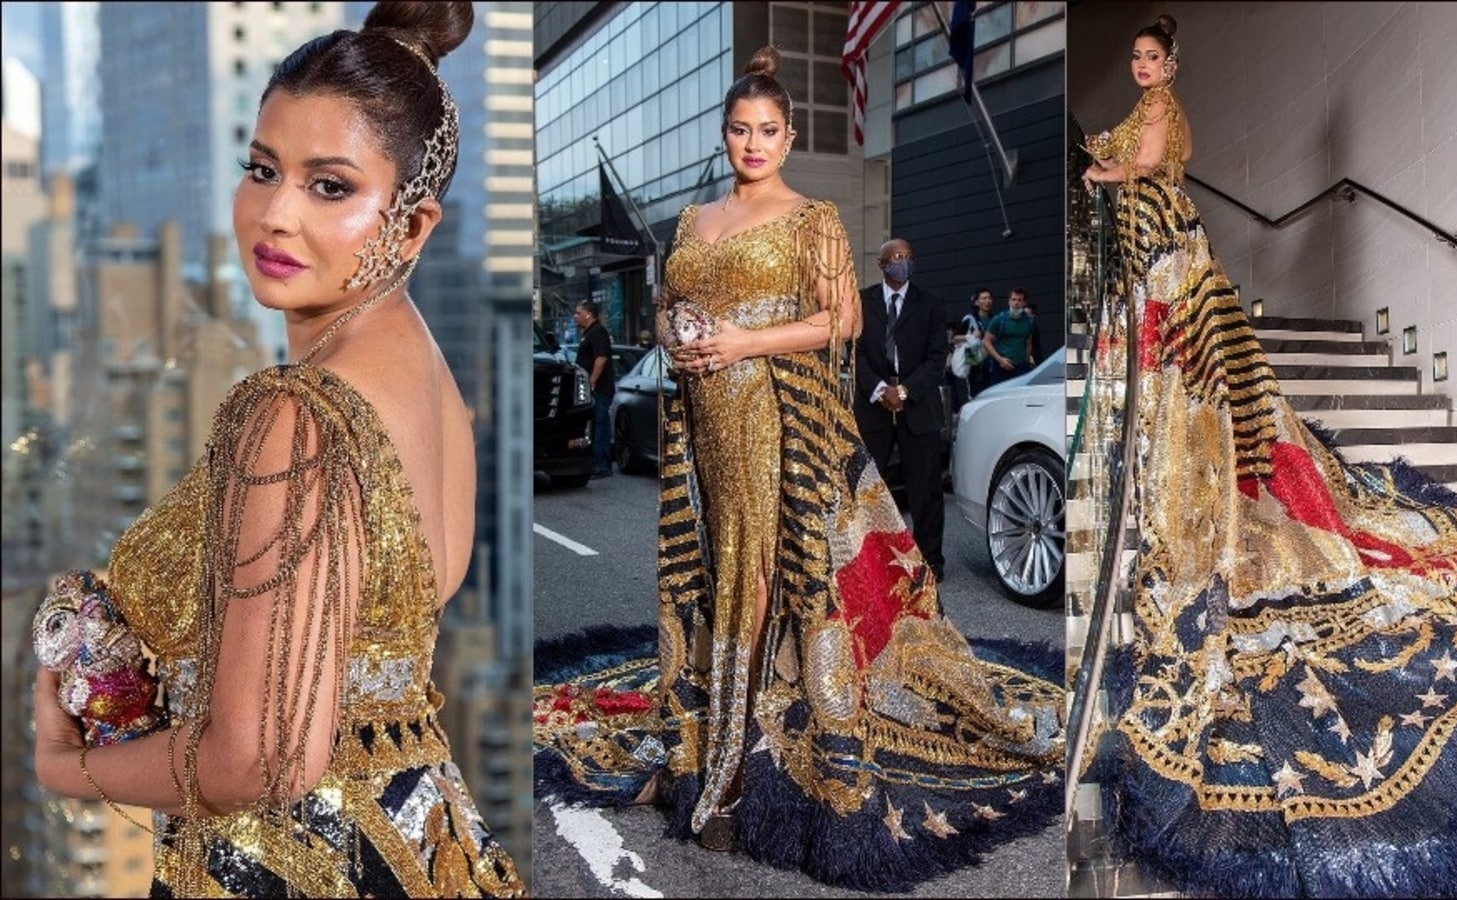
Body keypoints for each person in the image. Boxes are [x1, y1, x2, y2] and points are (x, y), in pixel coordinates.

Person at [1079, 14, 1457, 899]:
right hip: (1162, 265)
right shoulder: (1151, 104)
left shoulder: (1161, 109)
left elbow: (1137, 169)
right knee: (1188, 406)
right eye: (1134, 56)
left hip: (1172, 264)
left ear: (1172, 63)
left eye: (1151, 56)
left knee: (1203, 411)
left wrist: (1100, 167)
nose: (1141, 67)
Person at [533, 46, 1066, 893]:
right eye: (741, 130)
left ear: (788, 138)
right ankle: (717, 716)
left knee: (762, 564)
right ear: (726, 135)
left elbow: (840, 321)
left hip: (775, 421)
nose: (754, 143)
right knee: (715, 563)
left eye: (769, 131)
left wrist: (742, 341)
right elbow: (672, 305)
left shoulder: (811, 216)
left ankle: (738, 764)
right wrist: (676, 336)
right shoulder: (692, 220)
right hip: (704, 422)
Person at [29, 3, 526, 895]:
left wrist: (68, 768)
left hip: (299, 863)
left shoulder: (294, 415)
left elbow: (260, 760)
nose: (274, 214)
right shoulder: (431, 381)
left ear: (411, 227)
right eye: (262, 169)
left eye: (330, 186)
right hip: (425, 834)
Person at [853, 237, 949, 582]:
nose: (902, 262)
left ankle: (930, 562)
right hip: (874, 406)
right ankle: (871, 562)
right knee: (869, 489)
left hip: (918, 405)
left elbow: (937, 357)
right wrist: (880, 389)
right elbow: (856, 353)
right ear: (881, 264)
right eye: (895, 257)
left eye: (908, 256)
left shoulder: (930, 303)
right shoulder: (862, 301)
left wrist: (905, 390)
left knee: (925, 490)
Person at [573, 298, 616, 478]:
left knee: (600, 425)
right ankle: (596, 462)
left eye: (578, 313)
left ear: (588, 314)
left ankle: (602, 465)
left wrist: (592, 380)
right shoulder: (588, 333)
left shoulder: (597, 332)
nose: (575, 316)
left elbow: (601, 358)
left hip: (599, 388)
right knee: (594, 425)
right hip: (591, 387)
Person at [982, 286, 1037, 385]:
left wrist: (1027, 361)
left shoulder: (1029, 320)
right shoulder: (999, 319)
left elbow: (1028, 341)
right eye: (1013, 299)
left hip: (1021, 367)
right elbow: (986, 341)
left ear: (1024, 303)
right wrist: (999, 359)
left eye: (1020, 300)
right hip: (1001, 367)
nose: (1016, 303)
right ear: (1009, 301)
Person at [960, 288, 995, 397]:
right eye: (984, 298)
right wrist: (969, 336)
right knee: (975, 395)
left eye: (989, 298)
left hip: (992, 362)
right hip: (974, 362)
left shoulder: (995, 319)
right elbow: (955, 338)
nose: (988, 301)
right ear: (976, 302)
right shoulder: (969, 319)